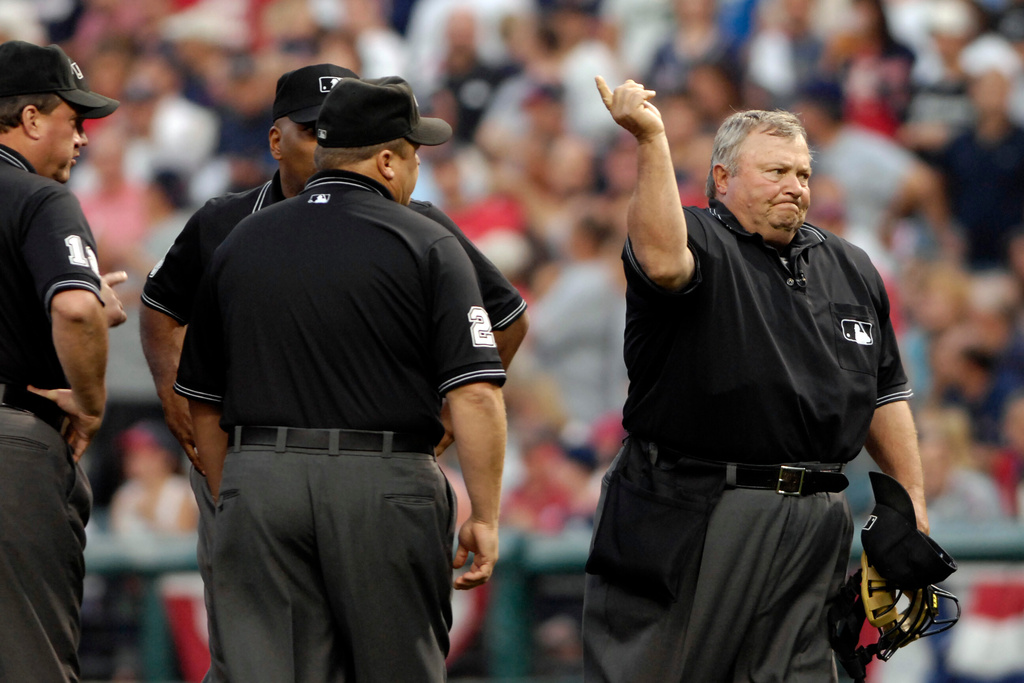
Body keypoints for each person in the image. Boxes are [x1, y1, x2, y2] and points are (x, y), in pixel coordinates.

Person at [139, 63, 527, 682]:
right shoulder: (426, 238)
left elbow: (203, 396)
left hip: (260, 477)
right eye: (415, 153)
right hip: (383, 475)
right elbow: (477, 393)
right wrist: (481, 511)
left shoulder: (242, 239)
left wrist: (232, 490)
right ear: (389, 163)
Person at [583, 77, 931, 682]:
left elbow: (883, 392)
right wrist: (651, 139)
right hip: (699, 508)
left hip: (817, 517)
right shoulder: (697, 236)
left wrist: (915, 506)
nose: (794, 187)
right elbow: (663, 261)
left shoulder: (849, 266)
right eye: (775, 172)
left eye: (802, 174)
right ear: (723, 178)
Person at [0, 40, 126, 682]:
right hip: (11, 446)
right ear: (29, 120)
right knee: (28, 661)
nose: (82, 139)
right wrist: (92, 401)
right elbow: (75, 310)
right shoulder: (38, 198)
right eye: (74, 121)